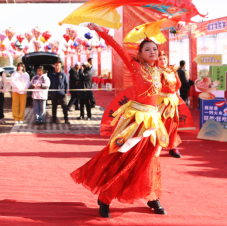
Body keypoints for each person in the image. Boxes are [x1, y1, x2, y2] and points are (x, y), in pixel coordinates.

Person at [71, 23, 169, 218]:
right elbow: (115, 46)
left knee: (149, 160)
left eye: (155, 49)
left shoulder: (159, 72)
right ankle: (105, 197)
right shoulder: (135, 66)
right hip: (135, 121)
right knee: (122, 157)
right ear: (140, 54)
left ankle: (151, 197)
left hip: (153, 122)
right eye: (147, 49)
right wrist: (100, 31)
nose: (152, 52)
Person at [157, 52, 183, 159]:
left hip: (172, 101)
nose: (163, 61)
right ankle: (155, 146)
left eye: (164, 59)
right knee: (159, 123)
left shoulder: (172, 71)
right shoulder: (156, 72)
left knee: (173, 124)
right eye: (160, 59)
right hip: (160, 102)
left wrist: (174, 95)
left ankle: (173, 146)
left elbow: (178, 85)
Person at [48, 60, 70, 124]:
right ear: (54, 66)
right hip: (54, 93)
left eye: (58, 65)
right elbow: (49, 84)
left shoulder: (63, 74)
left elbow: (66, 83)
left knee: (64, 106)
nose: (57, 67)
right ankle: (54, 119)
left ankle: (66, 119)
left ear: (60, 66)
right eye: (56, 65)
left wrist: (66, 91)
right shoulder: (51, 74)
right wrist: (50, 91)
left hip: (62, 94)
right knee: (54, 106)